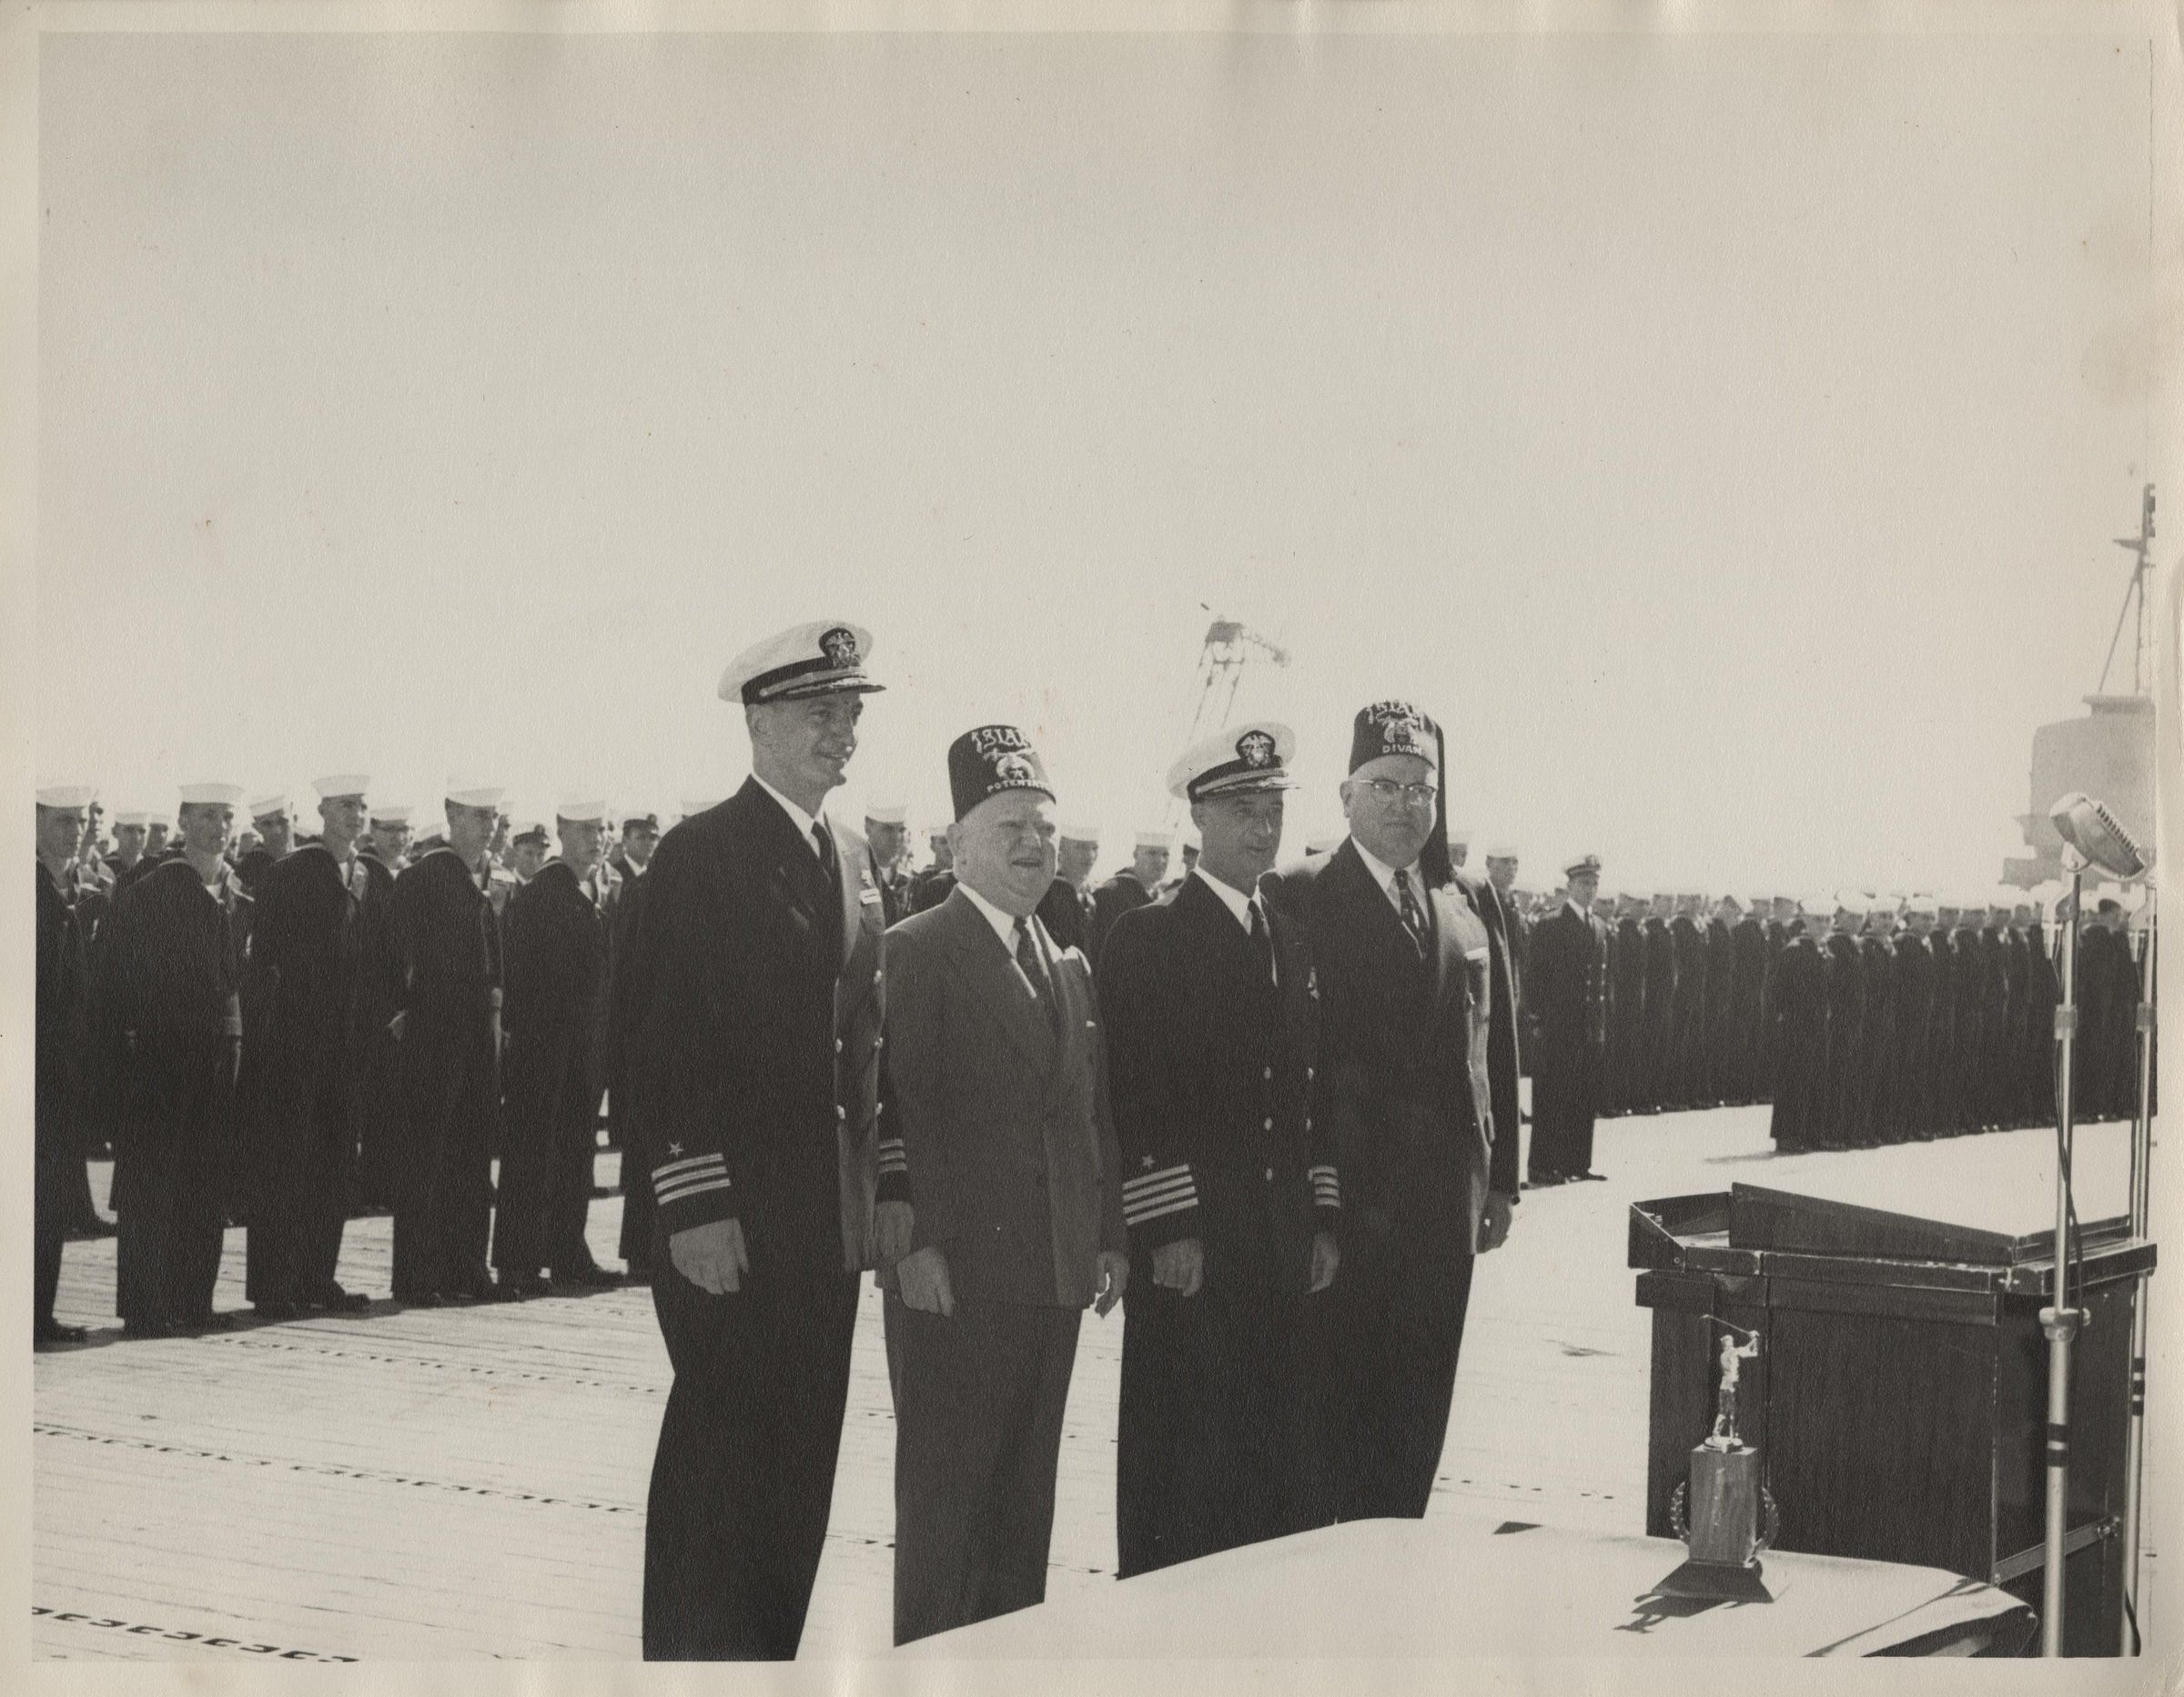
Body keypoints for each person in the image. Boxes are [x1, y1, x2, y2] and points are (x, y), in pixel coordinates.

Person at [622, 620, 897, 1661]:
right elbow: (654, 1043)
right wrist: (692, 1204)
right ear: (762, 720)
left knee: (797, 1472)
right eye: (824, 713)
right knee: (719, 1465)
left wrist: (877, 1188)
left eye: (852, 713)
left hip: (820, 1218)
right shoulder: (703, 854)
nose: (845, 733)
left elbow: (871, 1034)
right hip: (729, 1222)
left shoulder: (852, 855)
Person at [878, 723, 1127, 1644]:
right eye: (1010, 824)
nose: (1035, 844)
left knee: (1026, 1506)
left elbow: (1087, 1115)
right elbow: (888, 1112)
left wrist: (1107, 1234)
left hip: (1051, 1274)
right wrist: (910, 1248)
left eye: (1046, 829)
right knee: (947, 1509)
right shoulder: (914, 949)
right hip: (955, 1278)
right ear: (956, 846)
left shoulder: (1065, 960)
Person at [1260, 700, 1514, 1524]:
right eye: (1386, 786)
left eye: (1421, 789)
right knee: (1331, 1419)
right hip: (1351, 1207)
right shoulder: (1299, 894)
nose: (1406, 805)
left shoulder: (1467, 896)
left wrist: (1503, 1178)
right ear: (1345, 795)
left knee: (1420, 1412)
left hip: (1446, 1204)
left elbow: (1496, 1045)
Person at [1103, 722, 1338, 1579]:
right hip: (1194, 1248)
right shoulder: (1151, 934)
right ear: (1198, 814)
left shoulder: (1288, 934)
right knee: (1182, 1465)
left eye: (1273, 806)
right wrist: (1166, 1227)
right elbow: (1136, 1093)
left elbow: (1304, 1095)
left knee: (1266, 1467)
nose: (1262, 825)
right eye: (1242, 807)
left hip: (1274, 1243)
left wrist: (1319, 1217)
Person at [96, 783, 253, 1336]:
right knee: (154, 1188)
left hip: (217, 1065)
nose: (218, 827)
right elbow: (120, 978)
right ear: (185, 821)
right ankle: (146, 1306)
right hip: (162, 1064)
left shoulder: (233, 893)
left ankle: (192, 1301)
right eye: (207, 816)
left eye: (226, 817)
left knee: (205, 1187)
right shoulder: (155, 891)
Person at [241, 774, 377, 1318]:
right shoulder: (293, 872)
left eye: (361, 806)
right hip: (294, 1045)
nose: (355, 814)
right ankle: (275, 1285)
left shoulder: (360, 872)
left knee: (333, 1163)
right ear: (321, 811)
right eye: (345, 805)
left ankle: (318, 1276)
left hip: (343, 1047)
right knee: (286, 1165)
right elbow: (265, 960)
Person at [389, 782, 510, 1307]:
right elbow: (395, 957)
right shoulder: (423, 877)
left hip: (476, 1032)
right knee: (428, 1154)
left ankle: (466, 1267)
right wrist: (404, 1016)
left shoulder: (478, 878)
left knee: (472, 1151)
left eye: (492, 817)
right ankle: (418, 1274)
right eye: (477, 816)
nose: (488, 827)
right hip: (435, 1031)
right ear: (450, 816)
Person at [493, 800, 620, 1296]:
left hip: (580, 1048)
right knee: (531, 1156)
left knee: (573, 1155)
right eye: (586, 830)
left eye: (602, 829)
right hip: (543, 1047)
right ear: (563, 832)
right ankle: (518, 1261)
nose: (597, 839)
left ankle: (567, 1252)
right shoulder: (544, 894)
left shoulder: (584, 891)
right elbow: (523, 975)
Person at [35, 784, 97, 1346]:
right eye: (60, 822)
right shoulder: (26, 891)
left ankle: (38, 1316)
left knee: (51, 1200)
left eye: (78, 822)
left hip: (62, 1075)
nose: (73, 831)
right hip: (30, 1072)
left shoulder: (72, 889)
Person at [1526, 855, 1612, 1185]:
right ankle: (1544, 1165)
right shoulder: (1551, 924)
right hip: (1558, 1028)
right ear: (1569, 885)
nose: (1589, 890)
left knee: (1582, 1094)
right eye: (1583, 883)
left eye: (1594, 884)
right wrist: (1538, 1020)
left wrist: (1601, 1025)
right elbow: (1535, 977)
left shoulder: (1599, 926)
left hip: (1588, 1028)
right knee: (1553, 1095)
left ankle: (1577, 1162)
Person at [1767, 899, 1828, 1153]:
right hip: (1795, 1024)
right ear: (1806, 922)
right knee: (1793, 1080)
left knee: (1812, 1079)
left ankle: (1806, 1133)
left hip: (1816, 1025)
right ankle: (1787, 1135)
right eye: (1818, 920)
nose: (1823, 925)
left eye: (1827, 920)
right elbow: (1778, 990)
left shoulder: (1820, 950)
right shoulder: (1794, 950)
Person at [1092, 830, 1171, 955]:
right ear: (1136, 855)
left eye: (1165, 855)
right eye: (1152, 853)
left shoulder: (1161, 899)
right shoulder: (1111, 893)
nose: (1160, 861)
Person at [1036, 822, 1104, 966]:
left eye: (1094, 848)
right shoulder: (1049, 892)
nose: (1090, 855)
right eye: (1081, 847)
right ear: (1061, 850)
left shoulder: (1088, 899)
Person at [864, 802, 915, 925]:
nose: (897, 837)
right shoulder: (854, 871)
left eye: (901, 830)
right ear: (868, 828)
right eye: (888, 829)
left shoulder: (907, 879)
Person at [234, 793, 296, 892]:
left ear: (294, 820)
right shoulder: (252, 866)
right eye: (267, 824)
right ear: (256, 827)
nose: (277, 830)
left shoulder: (309, 858)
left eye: (282, 821)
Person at [905, 824, 956, 914]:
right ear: (932, 846)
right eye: (943, 842)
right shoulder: (922, 879)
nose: (949, 847)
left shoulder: (960, 878)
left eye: (952, 842)